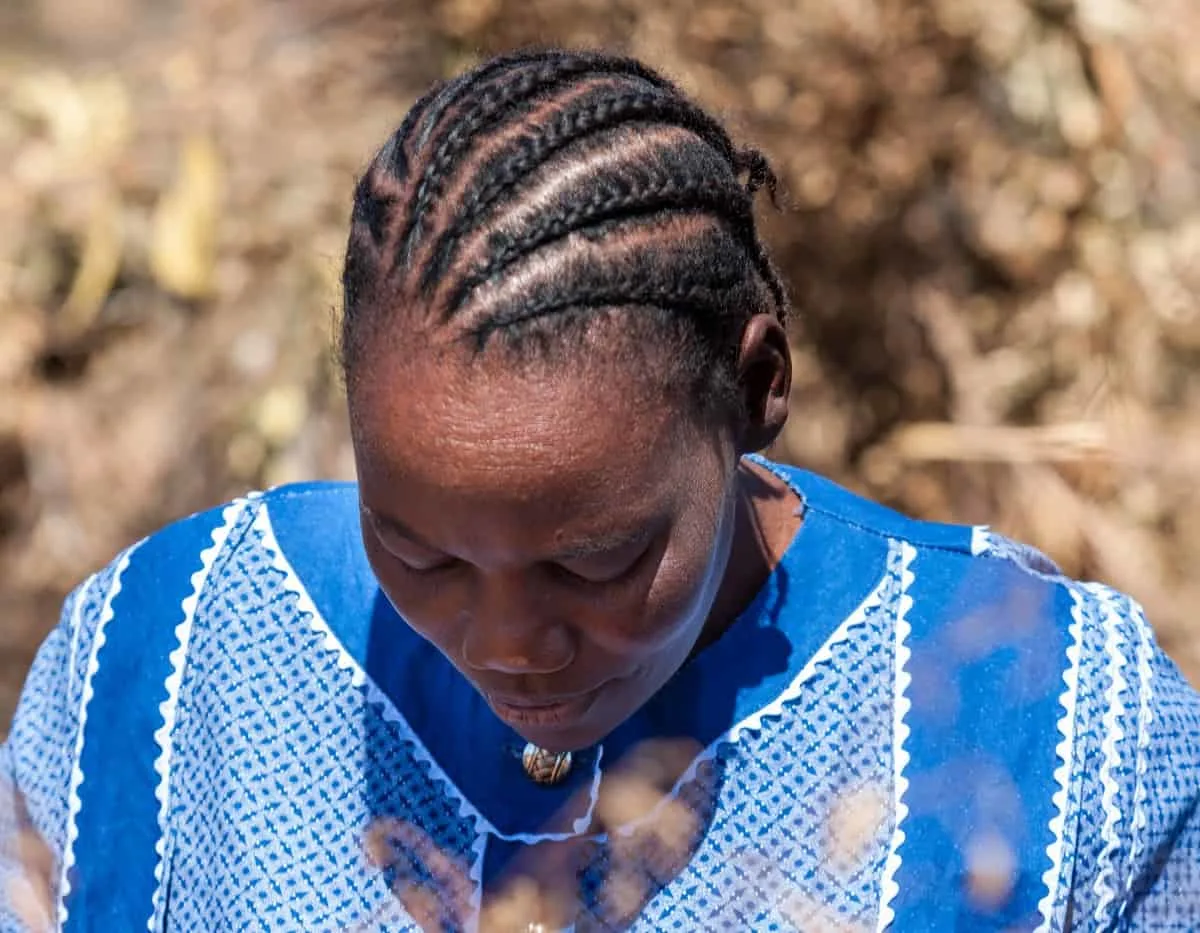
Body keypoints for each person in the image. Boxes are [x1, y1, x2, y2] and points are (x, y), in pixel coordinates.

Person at [2, 47, 1198, 933]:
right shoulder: (169, 654)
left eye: (597, 562)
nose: (511, 640)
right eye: (417, 552)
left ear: (759, 386)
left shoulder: (1039, 715)